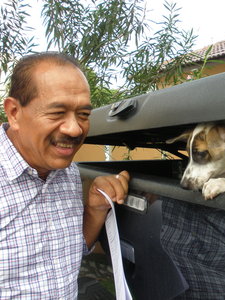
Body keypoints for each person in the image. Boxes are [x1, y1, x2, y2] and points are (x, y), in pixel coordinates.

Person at [0, 52, 129, 299]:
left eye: (83, 114)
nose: (75, 128)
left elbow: (67, 255)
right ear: (14, 112)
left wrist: (95, 209)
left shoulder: (67, 173)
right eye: (57, 113)